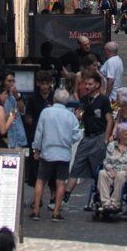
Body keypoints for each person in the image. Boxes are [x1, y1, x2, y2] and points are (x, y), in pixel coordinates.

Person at [32, 89, 81, 223]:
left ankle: (36, 210)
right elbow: (77, 134)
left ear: (54, 99)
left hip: (47, 152)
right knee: (61, 182)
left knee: (41, 180)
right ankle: (56, 212)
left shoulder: (46, 112)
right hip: (63, 153)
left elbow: (39, 132)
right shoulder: (70, 116)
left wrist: (36, 148)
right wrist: (69, 140)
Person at [96, 123, 127, 218]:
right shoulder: (112, 145)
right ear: (119, 135)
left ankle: (115, 204)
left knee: (121, 174)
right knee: (102, 173)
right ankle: (106, 203)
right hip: (112, 172)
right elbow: (106, 161)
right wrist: (110, 169)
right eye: (126, 134)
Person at [0, 71, 28, 150]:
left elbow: (23, 111)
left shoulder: (15, 95)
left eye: (13, 81)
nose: (12, 83)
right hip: (6, 138)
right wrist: (11, 114)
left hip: (18, 137)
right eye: (9, 81)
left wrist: (16, 96)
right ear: (2, 81)